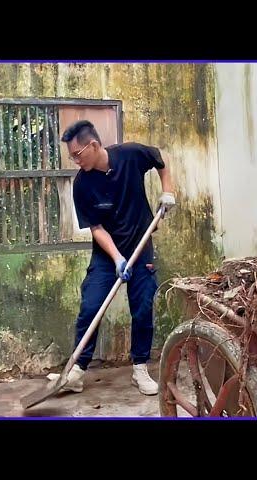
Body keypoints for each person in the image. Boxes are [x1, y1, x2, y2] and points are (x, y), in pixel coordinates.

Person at [53, 119, 175, 395]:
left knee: (142, 307)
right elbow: (96, 228)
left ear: (93, 145)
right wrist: (118, 258)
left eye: (77, 154)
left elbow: (159, 159)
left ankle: (140, 369)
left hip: (140, 246)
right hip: (107, 255)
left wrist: (168, 190)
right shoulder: (82, 184)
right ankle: (77, 371)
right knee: (91, 305)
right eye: (71, 156)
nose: (75, 161)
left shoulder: (130, 155)